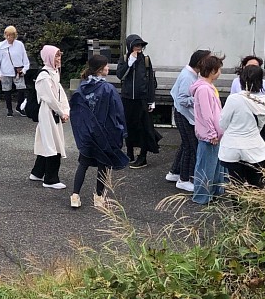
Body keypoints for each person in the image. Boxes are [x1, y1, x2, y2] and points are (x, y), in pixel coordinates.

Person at [68, 54, 131, 209]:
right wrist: (121, 131)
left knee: (83, 164)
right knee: (104, 164)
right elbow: (117, 112)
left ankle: (75, 195)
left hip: (88, 134)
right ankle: (99, 196)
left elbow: (76, 109)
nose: (108, 68)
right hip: (104, 134)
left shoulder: (83, 87)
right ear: (100, 69)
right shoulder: (108, 89)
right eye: (106, 66)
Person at [219, 64, 265, 187]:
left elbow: (222, 123)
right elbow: (260, 126)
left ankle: (237, 207)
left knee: (236, 184)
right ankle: (256, 206)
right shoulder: (264, 102)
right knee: (256, 184)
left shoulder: (234, 99)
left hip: (232, 147)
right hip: (254, 147)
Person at [167, 49, 211, 193]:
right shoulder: (188, 76)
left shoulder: (191, 74)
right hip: (184, 114)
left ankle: (175, 172)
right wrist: (201, 97)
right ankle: (184, 179)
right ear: (200, 63)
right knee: (191, 147)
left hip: (183, 113)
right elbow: (182, 99)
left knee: (186, 144)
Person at [115, 34, 160, 168]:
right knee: (128, 126)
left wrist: (151, 100)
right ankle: (129, 153)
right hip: (127, 98)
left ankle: (143, 156)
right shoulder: (124, 58)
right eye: (136, 45)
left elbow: (150, 80)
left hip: (142, 99)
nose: (138, 48)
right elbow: (120, 75)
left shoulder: (146, 60)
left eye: (140, 45)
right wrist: (130, 62)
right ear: (130, 46)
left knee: (144, 128)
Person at [28, 45, 69, 189]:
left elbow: (60, 93)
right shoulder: (44, 76)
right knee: (52, 142)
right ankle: (50, 179)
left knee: (48, 140)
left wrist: (65, 110)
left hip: (52, 112)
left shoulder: (53, 73)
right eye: (56, 56)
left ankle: (38, 172)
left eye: (59, 55)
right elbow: (50, 98)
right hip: (47, 112)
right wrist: (61, 112)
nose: (59, 58)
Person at [191, 54, 226, 205]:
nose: (220, 73)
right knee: (206, 167)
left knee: (215, 166)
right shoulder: (203, 89)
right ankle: (202, 196)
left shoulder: (208, 87)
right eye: (219, 70)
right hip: (209, 135)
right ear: (212, 71)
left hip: (215, 134)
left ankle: (213, 193)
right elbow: (206, 114)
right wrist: (212, 133)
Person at [0, 25, 30, 117]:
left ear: (15, 35)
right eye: (7, 35)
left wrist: (25, 69)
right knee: (7, 91)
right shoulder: (1, 45)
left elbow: (25, 59)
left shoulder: (20, 45)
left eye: (11, 35)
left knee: (21, 89)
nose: (8, 37)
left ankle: (19, 107)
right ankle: (9, 109)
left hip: (18, 71)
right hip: (5, 71)